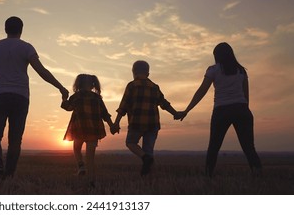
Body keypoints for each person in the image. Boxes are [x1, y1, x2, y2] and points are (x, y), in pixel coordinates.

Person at [0, 16, 69, 187]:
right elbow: (42, 71)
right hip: (20, 97)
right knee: (15, 140)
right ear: (21, 30)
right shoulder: (26, 47)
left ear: (5, 29)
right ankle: (8, 175)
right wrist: (60, 87)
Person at [180, 42, 262, 177]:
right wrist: (242, 110)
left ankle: (208, 175)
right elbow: (246, 96)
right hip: (242, 109)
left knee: (214, 147)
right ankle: (259, 175)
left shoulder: (213, 70)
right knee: (249, 147)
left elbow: (202, 91)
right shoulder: (241, 70)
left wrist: (187, 110)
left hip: (222, 111)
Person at [112, 60, 181, 176]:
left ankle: (145, 158)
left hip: (136, 123)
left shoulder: (132, 85)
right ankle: (150, 176)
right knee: (149, 150)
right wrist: (175, 113)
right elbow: (164, 104)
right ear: (148, 73)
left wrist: (116, 123)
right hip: (152, 124)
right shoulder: (154, 87)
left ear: (133, 72)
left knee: (131, 142)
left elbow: (123, 106)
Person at [61, 74, 113, 187]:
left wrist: (64, 98)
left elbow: (68, 107)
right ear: (93, 85)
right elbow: (105, 114)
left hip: (79, 128)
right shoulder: (97, 98)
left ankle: (81, 165)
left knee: (76, 148)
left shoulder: (76, 97)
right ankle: (91, 181)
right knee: (90, 157)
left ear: (78, 84)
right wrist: (112, 125)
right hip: (94, 130)